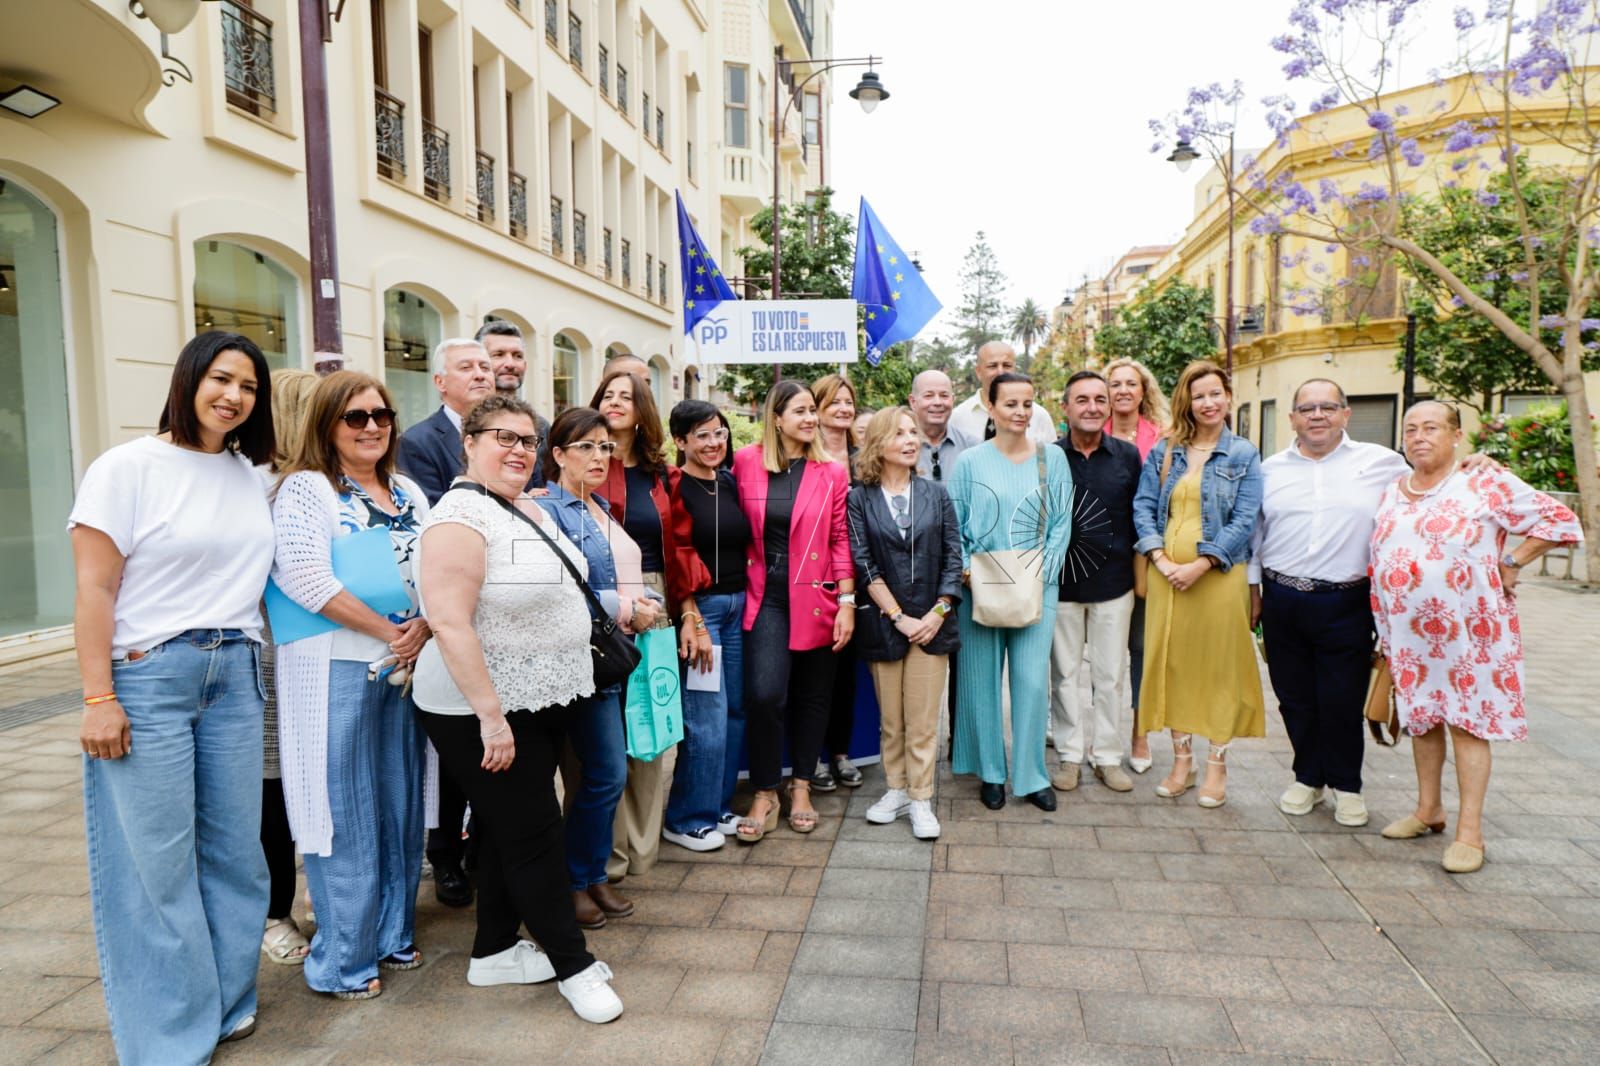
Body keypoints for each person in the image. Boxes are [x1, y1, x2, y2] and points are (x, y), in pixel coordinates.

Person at [70, 330, 276, 1062]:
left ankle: (224, 999)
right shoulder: (126, 467)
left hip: (236, 672)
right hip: (151, 674)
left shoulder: (250, 475)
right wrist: (99, 697)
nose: (234, 396)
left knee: (236, 855)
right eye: (221, 379)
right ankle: (167, 1033)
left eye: (249, 387)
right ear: (188, 379)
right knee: (156, 862)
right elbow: (94, 588)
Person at [411, 395, 624, 1022]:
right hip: (479, 708)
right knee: (535, 835)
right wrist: (492, 719)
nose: (519, 450)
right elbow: (449, 624)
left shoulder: (513, 507)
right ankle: (574, 965)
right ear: (469, 442)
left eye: (528, 440)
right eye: (503, 437)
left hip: (539, 695)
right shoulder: (458, 518)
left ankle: (495, 951)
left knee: (512, 832)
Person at [271, 371, 431, 999]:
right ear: (326, 425)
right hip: (335, 663)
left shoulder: (410, 491)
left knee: (400, 803)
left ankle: (390, 934)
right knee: (342, 811)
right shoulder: (307, 490)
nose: (371, 426)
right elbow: (305, 579)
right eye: (354, 417)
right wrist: (392, 633)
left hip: (407, 664)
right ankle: (342, 960)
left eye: (381, 415)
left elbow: (435, 567)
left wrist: (422, 625)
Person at [1372, 401, 1582, 874]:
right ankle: (1429, 810)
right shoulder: (1392, 489)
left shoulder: (1483, 481)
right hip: (1409, 634)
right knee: (1421, 720)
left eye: (1431, 428)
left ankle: (1471, 832)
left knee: (1467, 724)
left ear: (1456, 435)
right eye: (1411, 429)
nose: (1419, 437)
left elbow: (1560, 521)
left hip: (1470, 634)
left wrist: (1512, 562)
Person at [1248, 380, 1412, 828]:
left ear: (1345, 413)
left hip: (1347, 600)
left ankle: (1347, 785)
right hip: (1282, 598)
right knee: (1293, 697)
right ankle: (1308, 776)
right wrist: (1254, 591)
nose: (1316, 415)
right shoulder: (1270, 470)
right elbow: (1256, 537)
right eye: (1306, 408)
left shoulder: (1383, 464)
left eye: (1326, 407)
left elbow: (1427, 490)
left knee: (1340, 697)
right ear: (1293, 419)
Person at [536, 407, 662, 927]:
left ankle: (589, 876)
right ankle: (572, 882)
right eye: (584, 447)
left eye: (605, 447)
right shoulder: (547, 510)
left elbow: (621, 572)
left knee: (605, 776)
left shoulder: (597, 507)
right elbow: (562, 588)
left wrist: (647, 600)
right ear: (559, 454)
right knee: (601, 774)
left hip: (613, 656)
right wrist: (628, 607)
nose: (598, 456)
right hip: (578, 658)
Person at [1134, 360, 1265, 809]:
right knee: (1173, 665)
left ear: (1228, 397)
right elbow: (1144, 505)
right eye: (1199, 395)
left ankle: (1217, 766)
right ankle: (1182, 761)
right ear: (1186, 401)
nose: (1207, 403)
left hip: (1218, 577)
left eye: (1215, 393)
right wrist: (1159, 557)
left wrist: (1201, 564)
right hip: (1166, 574)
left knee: (1218, 668)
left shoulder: (1244, 453)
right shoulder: (1166, 449)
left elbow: (1246, 519)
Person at [732, 380, 855, 841]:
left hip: (818, 596)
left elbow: (841, 538)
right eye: (800, 411)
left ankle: (800, 786)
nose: (810, 418)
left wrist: (846, 602)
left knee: (813, 695)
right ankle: (766, 791)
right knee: (764, 695)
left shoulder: (831, 471)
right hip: (764, 595)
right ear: (776, 418)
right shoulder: (745, 461)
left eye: (812, 411)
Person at [396, 338, 495, 907]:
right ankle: (446, 856)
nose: (481, 373)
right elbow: (441, 519)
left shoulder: (512, 425)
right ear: (440, 381)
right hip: (449, 607)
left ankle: (483, 851)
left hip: (496, 609)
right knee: (453, 750)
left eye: (485, 365)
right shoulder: (419, 441)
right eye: (467, 367)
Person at [947, 372, 1073, 811]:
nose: (1021, 412)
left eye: (1028, 404)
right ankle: (991, 773)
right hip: (981, 584)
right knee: (980, 682)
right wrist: (964, 568)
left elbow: (1061, 522)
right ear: (991, 406)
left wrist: (1043, 571)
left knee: (1032, 683)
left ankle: (1032, 775)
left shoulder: (1051, 459)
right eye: (1011, 404)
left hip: (1037, 584)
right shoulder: (969, 463)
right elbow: (954, 525)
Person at [847, 408, 963, 839]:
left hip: (933, 626)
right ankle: (895, 790)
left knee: (922, 721)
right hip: (884, 623)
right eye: (900, 433)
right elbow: (863, 563)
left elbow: (955, 555)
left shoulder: (936, 494)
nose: (911, 439)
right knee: (891, 720)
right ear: (879, 444)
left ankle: (920, 799)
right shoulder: (858, 498)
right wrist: (897, 616)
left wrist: (937, 612)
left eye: (913, 432)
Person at [589, 370, 679, 878]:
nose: (617, 402)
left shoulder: (659, 473)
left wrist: (683, 613)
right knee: (603, 729)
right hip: (596, 597)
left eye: (628, 396)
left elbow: (678, 549)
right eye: (609, 394)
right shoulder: (579, 464)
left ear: (643, 408)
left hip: (653, 593)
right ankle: (609, 850)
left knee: (649, 717)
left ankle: (642, 847)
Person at [1049, 371, 1142, 795]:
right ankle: (1069, 756)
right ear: (1065, 408)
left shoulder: (1127, 456)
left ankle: (1106, 756)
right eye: (1081, 400)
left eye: (1099, 400)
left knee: (1109, 677)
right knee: (1064, 675)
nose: (1091, 407)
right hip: (1061, 586)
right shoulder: (1046, 457)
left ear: (1109, 407)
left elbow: (1140, 518)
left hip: (1114, 585)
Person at [665, 401, 752, 842]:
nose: (714, 442)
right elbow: (674, 554)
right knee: (706, 717)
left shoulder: (730, 483)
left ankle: (718, 808)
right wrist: (691, 614)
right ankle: (686, 818)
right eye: (701, 435)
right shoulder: (672, 485)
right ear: (680, 442)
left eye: (719, 433)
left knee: (735, 712)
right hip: (704, 613)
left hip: (740, 606)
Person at [260, 367, 318, 968]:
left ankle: (317, 893)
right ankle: (276, 912)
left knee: (315, 784)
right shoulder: (258, 484)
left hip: (322, 652)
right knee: (272, 788)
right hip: (272, 655)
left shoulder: (325, 482)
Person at [1102, 357, 1168, 775]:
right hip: (1101, 558)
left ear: (1144, 391)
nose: (1123, 390)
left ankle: (1139, 733)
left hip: (1148, 557)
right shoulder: (1089, 433)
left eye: (1132, 383)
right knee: (1102, 655)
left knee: (1141, 648)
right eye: (1115, 383)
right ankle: (1096, 738)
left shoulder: (1163, 438)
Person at [809, 373, 865, 792]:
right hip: (812, 580)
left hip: (864, 578)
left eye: (849, 402)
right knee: (816, 672)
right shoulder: (803, 459)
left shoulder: (865, 458)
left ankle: (841, 752)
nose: (843, 410)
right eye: (834, 404)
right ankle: (812, 757)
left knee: (848, 672)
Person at [949, 341, 1057, 445]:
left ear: (1014, 368)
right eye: (992, 366)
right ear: (978, 371)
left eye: (1006, 365)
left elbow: (1050, 459)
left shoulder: (1038, 415)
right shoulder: (958, 417)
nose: (1000, 372)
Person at [476, 319, 551, 454]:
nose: (510, 364)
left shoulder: (542, 428)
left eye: (517, 356)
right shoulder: (462, 423)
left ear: (525, 365)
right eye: (499, 355)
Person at [909, 369, 976, 485]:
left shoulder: (972, 446)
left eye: (944, 396)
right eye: (929, 396)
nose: (937, 402)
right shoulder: (896, 447)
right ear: (913, 401)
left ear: (953, 400)